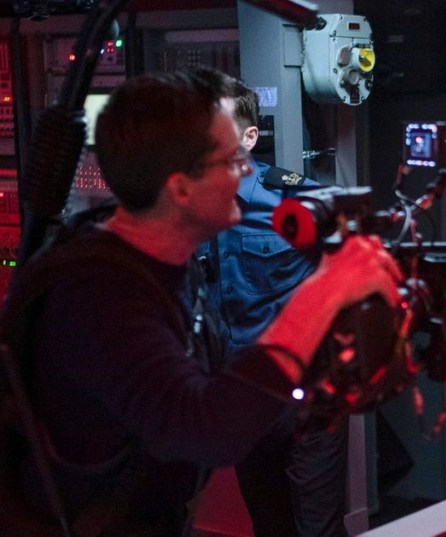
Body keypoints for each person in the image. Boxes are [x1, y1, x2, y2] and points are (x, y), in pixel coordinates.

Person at [0, 70, 401, 535]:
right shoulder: (98, 297)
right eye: (230, 161)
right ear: (181, 188)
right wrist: (324, 294)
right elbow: (207, 432)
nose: (246, 172)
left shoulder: (154, 258)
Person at [194, 72, 349, 536]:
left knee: (317, 531)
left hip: (307, 397)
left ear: (248, 138)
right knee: (269, 526)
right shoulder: (186, 207)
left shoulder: (295, 199)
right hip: (243, 396)